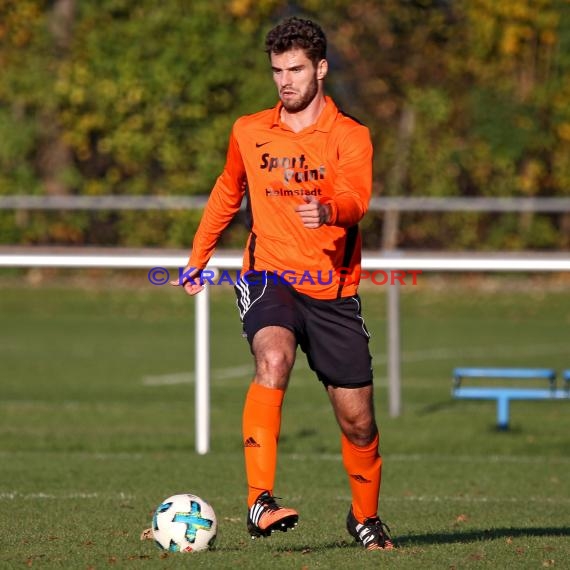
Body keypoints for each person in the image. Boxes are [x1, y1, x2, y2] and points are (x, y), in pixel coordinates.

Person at [173, 16, 393, 551]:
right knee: (273, 359)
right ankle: (259, 499)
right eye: (277, 70)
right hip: (268, 273)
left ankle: (364, 517)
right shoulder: (249, 130)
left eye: (295, 69)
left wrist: (332, 209)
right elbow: (229, 190)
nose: (285, 81)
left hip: (333, 292)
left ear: (321, 68)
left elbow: (358, 198)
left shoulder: (350, 135)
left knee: (358, 422)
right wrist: (198, 256)